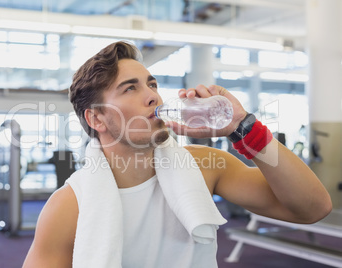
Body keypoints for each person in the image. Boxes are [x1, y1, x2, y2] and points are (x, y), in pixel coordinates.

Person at [23, 41, 332, 267]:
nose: (152, 95)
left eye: (152, 83)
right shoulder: (67, 206)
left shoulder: (204, 166)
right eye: (130, 88)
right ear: (96, 119)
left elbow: (312, 208)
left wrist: (243, 126)